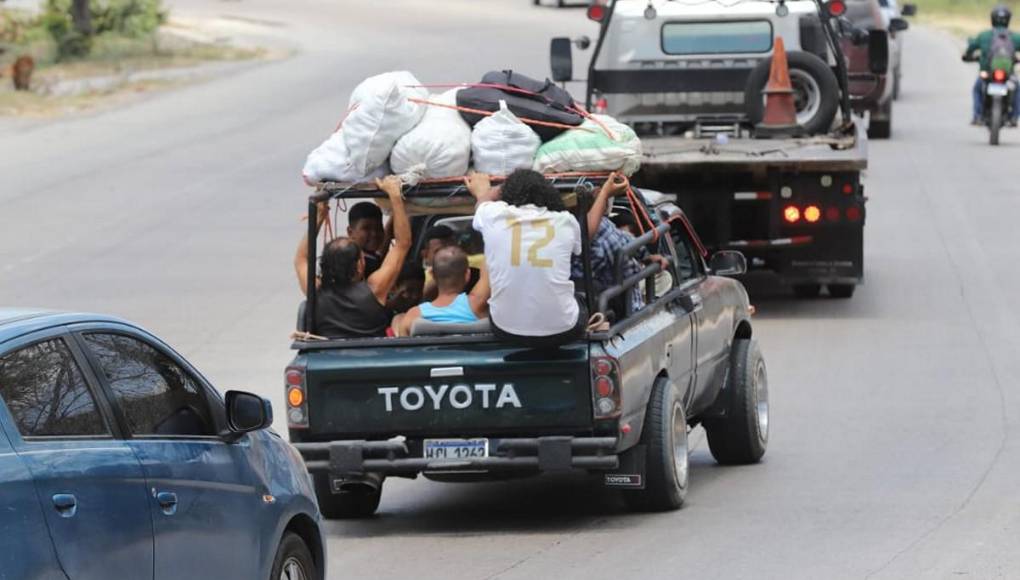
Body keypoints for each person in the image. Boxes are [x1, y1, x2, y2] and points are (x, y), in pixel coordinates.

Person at [468, 169, 585, 345]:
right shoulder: (566, 220)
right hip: (564, 330)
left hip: (505, 329)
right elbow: (578, 250)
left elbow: (481, 203)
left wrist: (486, 191)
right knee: (579, 297)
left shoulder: (493, 214)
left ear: (506, 195)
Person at [294, 176, 411, 338]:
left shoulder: (316, 290)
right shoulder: (375, 289)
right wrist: (395, 196)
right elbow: (402, 244)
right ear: (359, 266)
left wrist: (319, 216)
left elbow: (301, 259)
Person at [572, 173, 670, 317]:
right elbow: (627, 252)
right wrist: (646, 257)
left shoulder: (557, 226)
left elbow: (624, 241)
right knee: (664, 278)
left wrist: (645, 256)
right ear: (599, 194)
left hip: (577, 309)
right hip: (616, 311)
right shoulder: (601, 229)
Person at [392, 246, 491, 337]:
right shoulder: (477, 304)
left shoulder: (413, 316)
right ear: (467, 275)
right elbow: (491, 266)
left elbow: (404, 352)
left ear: (432, 276)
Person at [963, 5, 1020, 126]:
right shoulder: (1015, 37)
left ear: (992, 19)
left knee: (977, 89)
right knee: (1017, 89)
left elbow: (971, 47)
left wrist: (967, 56)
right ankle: (1014, 117)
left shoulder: (984, 36)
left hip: (986, 73)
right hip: (1008, 74)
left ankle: (977, 116)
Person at [347, 201, 386, 276]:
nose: (374, 234)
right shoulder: (355, 263)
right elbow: (402, 245)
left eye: (379, 228)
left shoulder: (372, 256)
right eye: (366, 228)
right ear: (350, 232)